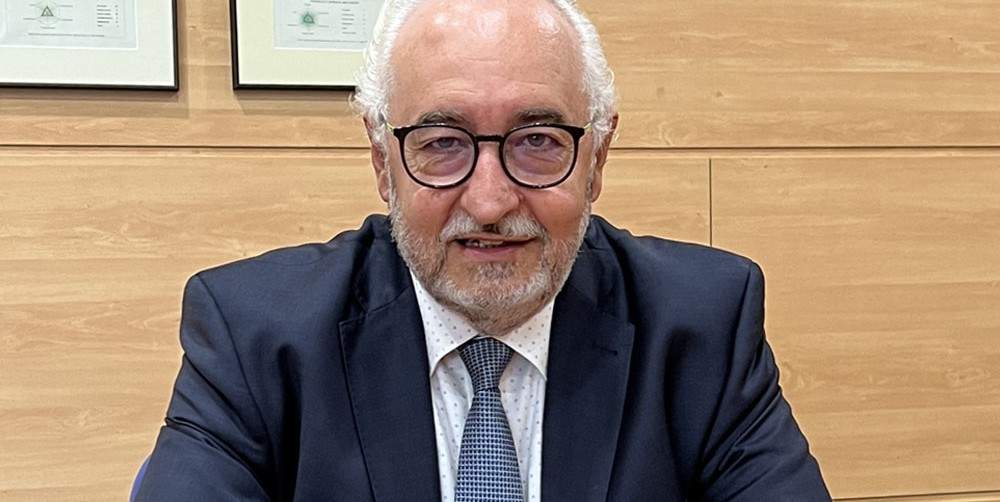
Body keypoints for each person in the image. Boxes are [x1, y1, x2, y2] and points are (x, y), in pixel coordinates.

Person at [136, 0, 831, 500]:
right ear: (383, 162)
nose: (491, 202)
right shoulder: (256, 335)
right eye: (442, 143)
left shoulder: (702, 326)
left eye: (538, 141)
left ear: (596, 158)